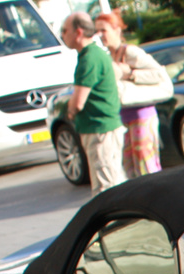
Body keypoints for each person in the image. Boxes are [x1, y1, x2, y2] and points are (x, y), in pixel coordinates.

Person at [94, 11, 164, 179]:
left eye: (104, 30)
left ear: (116, 30)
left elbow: (159, 75)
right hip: (122, 119)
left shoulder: (131, 52)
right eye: (97, 31)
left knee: (147, 169)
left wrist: (131, 73)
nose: (100, 35)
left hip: (142, 117)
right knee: (129, 170)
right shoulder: (107, 56)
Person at [60, 11, 124, 194]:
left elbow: (78, 101)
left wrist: (70, 110)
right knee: (111, 181)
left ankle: (118, 223)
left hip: (100, 130)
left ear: (78, 32)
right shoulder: (92, 54)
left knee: (106, 189)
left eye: (64, 31)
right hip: (102, 129)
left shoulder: (90, 58)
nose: (62, 35)